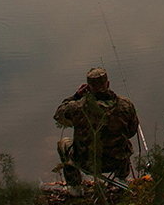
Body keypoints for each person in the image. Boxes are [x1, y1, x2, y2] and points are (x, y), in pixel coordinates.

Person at [54, 67, 139, 196]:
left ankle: (75, 187)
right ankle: (121, 177)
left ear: (88, 87)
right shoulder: (125, 105)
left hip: (87, 163)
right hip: (116, 161)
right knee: (124, 142)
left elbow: (58, 115)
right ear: (108, 84)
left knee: (63, 144)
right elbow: (132, 131)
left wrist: (76, 95)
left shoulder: (78, 107)